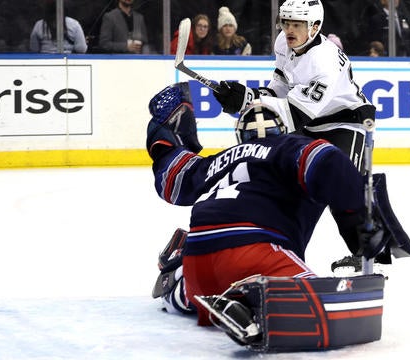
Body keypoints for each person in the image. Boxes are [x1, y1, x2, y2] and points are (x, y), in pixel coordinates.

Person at [145, 83, 387, 331]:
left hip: (199, 259)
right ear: (283, 130)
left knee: (201, 290)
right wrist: (358, 220)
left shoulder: (218, 160)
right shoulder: (291, 146)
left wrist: (164, 132)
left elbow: (172, 179)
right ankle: (250, 302)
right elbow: (329, 161)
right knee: (322, 306)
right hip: (254, 252)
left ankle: (179, 278)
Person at [213, 0, 375, 173]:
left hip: (345, 122)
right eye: (286, 22)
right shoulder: (283, 42)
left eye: (297, 24)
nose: (289, 30)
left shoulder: (325, 62)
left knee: (341, 184)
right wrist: (249, 96)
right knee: (290, 180)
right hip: (310, 123)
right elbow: (281, 88)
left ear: (314, 27)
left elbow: (295, 114)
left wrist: (250, 103)